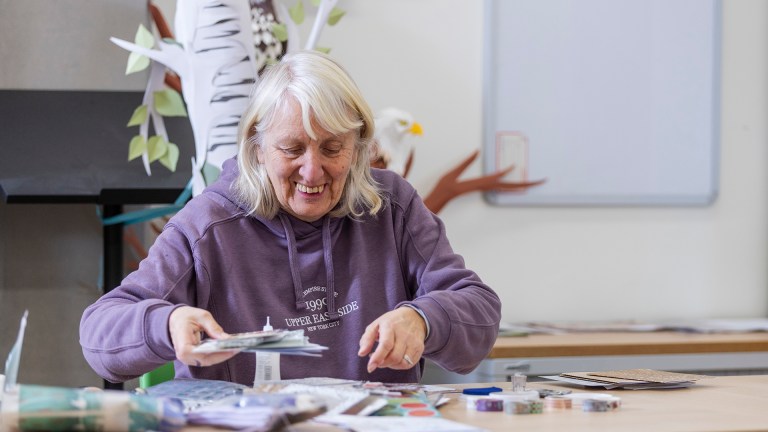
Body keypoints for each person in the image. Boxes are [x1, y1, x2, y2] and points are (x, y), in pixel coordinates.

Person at [80, 50, 501, 385]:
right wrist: (166, 322)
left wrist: (424, 319)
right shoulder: (209, 223)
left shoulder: (391, 206)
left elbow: (479, 313)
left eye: (332, 148)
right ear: (257, 149)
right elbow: (98, 334)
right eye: (292, 149)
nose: (313, 171)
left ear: (357, 147)